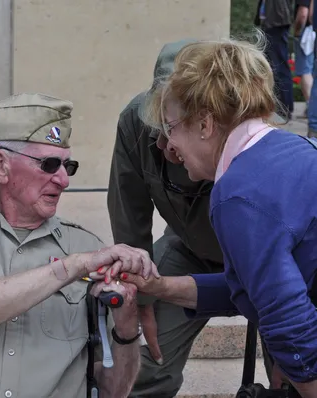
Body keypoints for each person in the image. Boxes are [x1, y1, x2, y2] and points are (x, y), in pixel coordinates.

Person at [0, 93, 159, 398]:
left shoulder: (83, 245)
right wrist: (71, 268)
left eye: (69, 166)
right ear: (1, 166)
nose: (64, 180)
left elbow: (113, 391)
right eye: (49, 164)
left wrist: (126, 324)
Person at [121, 36, 317, 397]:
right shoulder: (288, 148)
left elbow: (287, 317)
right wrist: (161, 287)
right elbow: (250, 286)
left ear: (205, 125)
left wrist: (303, 379)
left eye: (171, 127)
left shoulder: (237, 194)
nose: (169, 146)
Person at [107, 39, 227, 398]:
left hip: (267, 260)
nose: (162, 144)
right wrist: (140, 296)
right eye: (158, 125)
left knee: (297, 362)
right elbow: (129, 213)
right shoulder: (134, 121)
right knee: (144, 361)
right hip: (189, 249)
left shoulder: (249, 133)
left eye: (173, 127)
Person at [255, 0, 295, 119]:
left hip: (277, 23)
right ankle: (277, 106)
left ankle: (285, 107)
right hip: (270, 23)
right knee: (269, 68)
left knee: (280, 66)